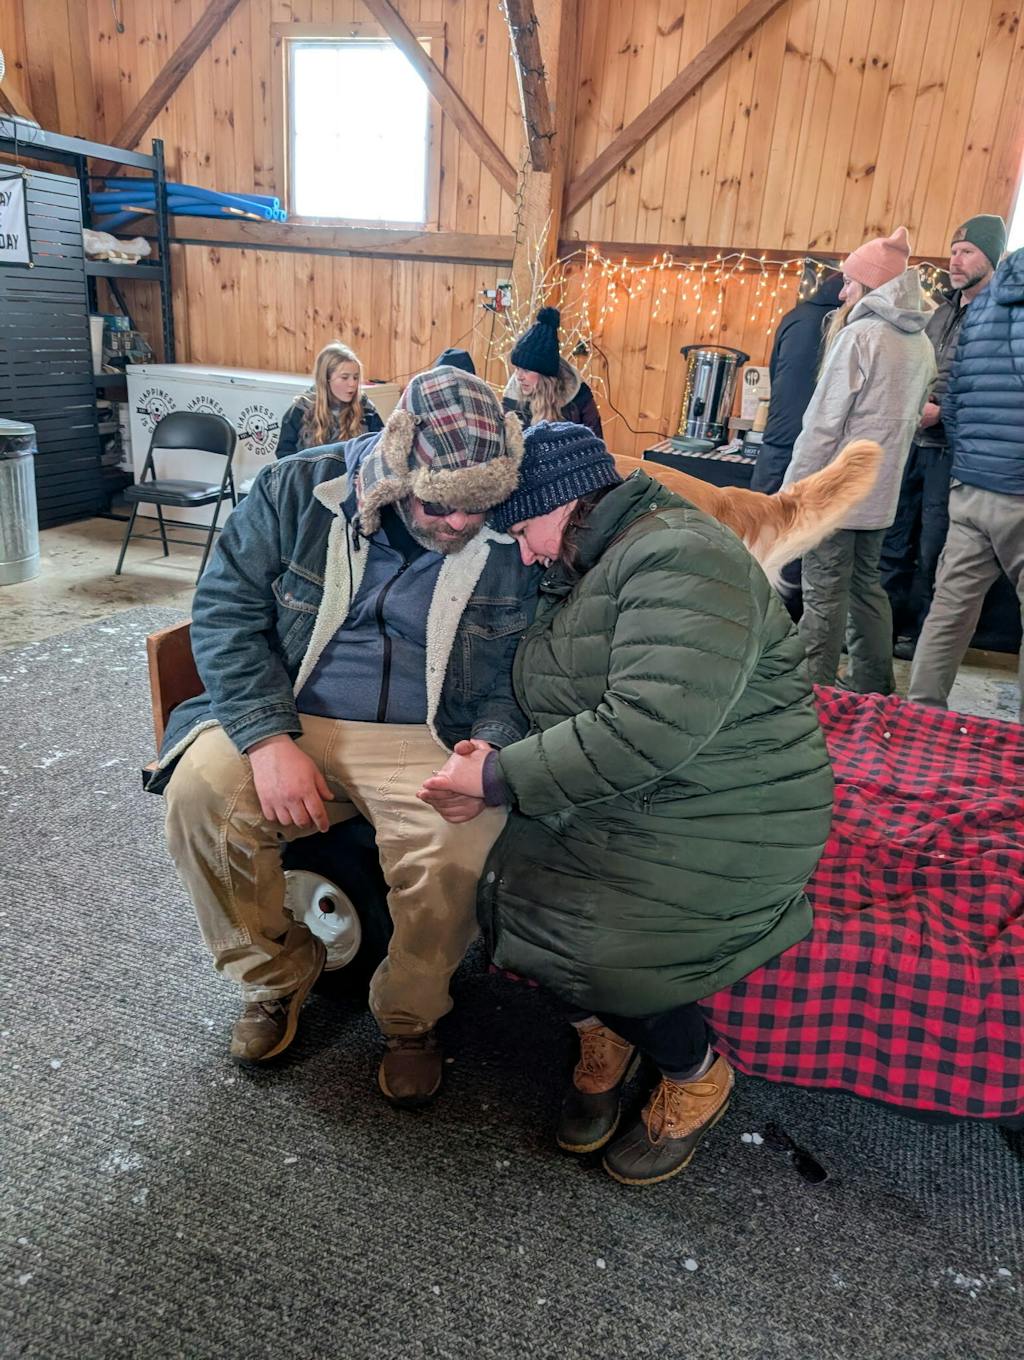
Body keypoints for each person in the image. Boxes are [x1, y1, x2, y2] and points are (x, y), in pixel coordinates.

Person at [419, 421, 834, 1187]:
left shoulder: (681, 554)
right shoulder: (592, 559)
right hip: (656, 783)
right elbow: (542, 684)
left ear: (562, 503)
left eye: (525, 531)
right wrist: (493, 747)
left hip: (737, 803)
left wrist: (500, 779)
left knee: (605, 947)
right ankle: (602, 1033)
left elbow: (650, 723)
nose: (525, 552)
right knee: (516, 889)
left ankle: (696, 1073)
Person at [152, 367, 535, 1107]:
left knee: (458, 845)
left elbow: (524, 660)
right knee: (200, 799)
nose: (460, 524)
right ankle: (273, 978)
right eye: (439, 505)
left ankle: (411, 1016)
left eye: (478, 507)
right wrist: (266, 740)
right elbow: (225, 613)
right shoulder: (297, 487)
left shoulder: (512, 521)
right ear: (396, 465)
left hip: (433, 728)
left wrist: (490, 744)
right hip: (291, 708)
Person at [782, 227, 935, 693]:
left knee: (823, 594)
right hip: (879, 493)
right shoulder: (921, 344)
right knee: (866, 588)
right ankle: (873, 686)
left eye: (849, 281)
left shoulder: (860, 336)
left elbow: (823, 425)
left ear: (871, 285)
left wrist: (793, 490)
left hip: (834, 491)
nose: (842, 292)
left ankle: (811, 695)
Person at [880, 215, 1006, 659]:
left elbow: (991, 386)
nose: (956, 260)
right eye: (953, 251)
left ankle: (922, 640)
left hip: (955, 452)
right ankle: (882, 632)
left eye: (967, 252)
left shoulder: (1002, 314)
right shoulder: (939, 311)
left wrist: (942, 413)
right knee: (893, 539)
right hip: (912, 444)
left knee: (935, 549)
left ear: (992, 258)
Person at [909, 247, 1024, 722]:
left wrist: (970, 459)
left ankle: (921, 716)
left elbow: (952, 399)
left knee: (950, 609)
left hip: (970, 484)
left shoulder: (980, 308)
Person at [752, 269, 845, 495]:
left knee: (760, 510)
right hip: (817, 446)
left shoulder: (794, 316)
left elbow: (774, 373)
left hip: (777, 437)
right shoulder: (847, 325)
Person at [503, 307, 603, 436]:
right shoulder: (512, 400)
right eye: (517, 368)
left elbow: (596, 442)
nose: (519, 377)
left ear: (545, 374)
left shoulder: (579, 398)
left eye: (526, 370)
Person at [276, 341, 383, 459]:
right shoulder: (302, 409)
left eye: (356, 377)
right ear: (326, 379)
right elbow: (284, 455)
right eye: (344, 377)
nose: (352, 383)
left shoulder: (366, 408)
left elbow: (380, 449)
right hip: (311, 470)